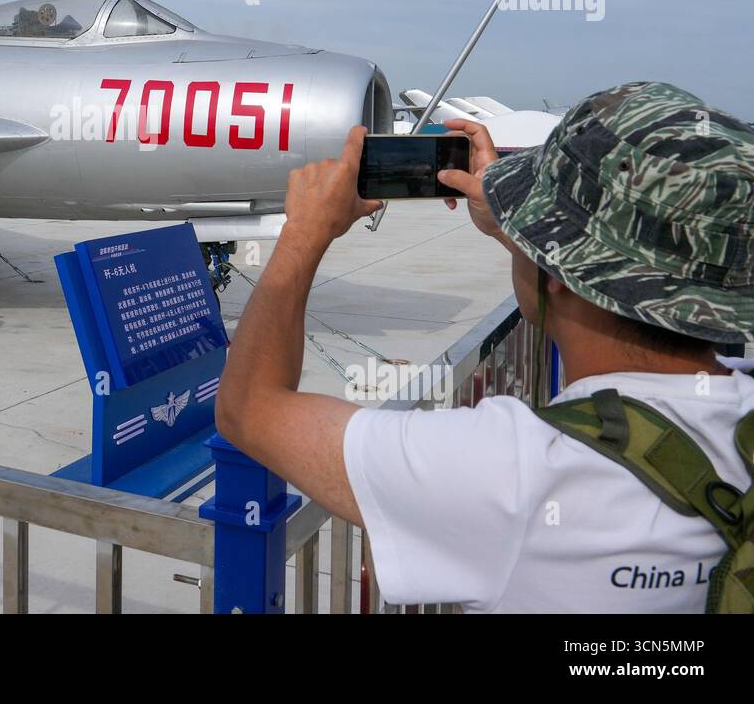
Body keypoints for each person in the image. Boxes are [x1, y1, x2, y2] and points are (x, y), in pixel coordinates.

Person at [216, 81, 754, 613]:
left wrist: (302, 234)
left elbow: (250, 410)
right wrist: (540, 241)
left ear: (561, 271)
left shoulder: (515, 470)